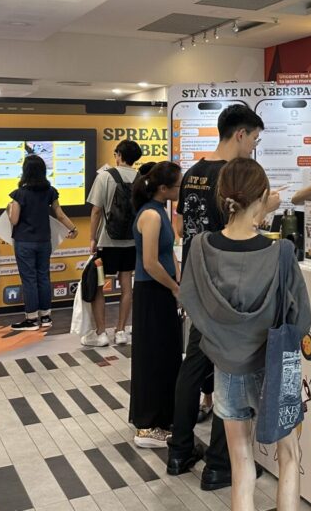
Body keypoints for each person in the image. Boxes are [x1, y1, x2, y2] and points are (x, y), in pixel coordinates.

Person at [180, 158, 311, 511]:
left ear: (223, 196)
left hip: (226, 368)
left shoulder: (201, 247)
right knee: (289, 455)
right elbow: (301, 319)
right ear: (264, 196)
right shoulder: (281, 252)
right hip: (276, 365)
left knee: (240, 464)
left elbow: (191, 303)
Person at [168, 105, 280, 486]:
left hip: (197, 283)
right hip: (227, 287)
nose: (253, 147)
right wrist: (267, 205)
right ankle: (219, 463)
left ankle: (179, 451)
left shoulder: (193, 173)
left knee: (193, 366)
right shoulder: (231, 176)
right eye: (254, 139)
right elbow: (239, 227)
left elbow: (184, 226)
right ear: (240, 134)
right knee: (229, 371)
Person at [129, 161, 184, 448]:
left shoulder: (162, 210)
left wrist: (178, 280)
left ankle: (163, 417)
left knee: (166, 355)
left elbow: (167, 252)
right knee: (151, 356)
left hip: (164, 289)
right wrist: (174, 287)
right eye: (177, 185)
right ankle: (147, 426)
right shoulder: (150, 215)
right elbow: (150, 262)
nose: (180, 189)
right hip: (152, 292)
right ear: (163, 188)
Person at [7, 154, 77, 331]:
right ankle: (46, 317)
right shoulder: (50, 191)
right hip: (44, 241)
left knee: (29, 279)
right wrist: (73, 228)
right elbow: (60, 214)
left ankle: (31, 319)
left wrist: (9, 209)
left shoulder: (19, 194)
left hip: (24, 242)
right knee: (44, 277)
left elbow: (14, 220)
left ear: (25, 171)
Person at [83, 139, 143, 347]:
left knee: (99, 285)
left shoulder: (105, 176)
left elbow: (96, 210)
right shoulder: (141, 179)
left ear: (119, 155)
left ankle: (101, 333)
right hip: (131, 241)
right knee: (126, 285)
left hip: (107, 241)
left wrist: (92, 238)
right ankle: (121, 331)